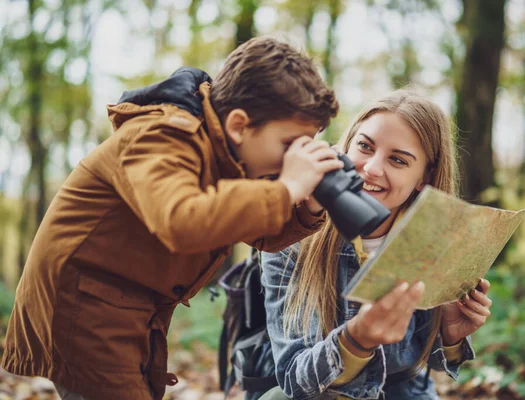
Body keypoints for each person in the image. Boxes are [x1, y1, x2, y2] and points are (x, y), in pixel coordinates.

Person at [1, 37, 344, 400]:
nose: (293, 160)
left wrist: (307, 206)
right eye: (289, 145)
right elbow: (182, 221)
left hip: (125, 308)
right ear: (240, 126)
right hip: (82, 308)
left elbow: (255, 227)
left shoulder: (225, 152)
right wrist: (288, 187)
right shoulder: (161, 136)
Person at [254, 88, 493, 399]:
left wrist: (447, 335)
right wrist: (356, 340)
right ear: (345, 146)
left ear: (425, 177)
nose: (372, 168)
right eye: (365, 146)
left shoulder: (433, 241)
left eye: (397, 159)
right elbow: (294, 379)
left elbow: (411, 371)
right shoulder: (293, 235)